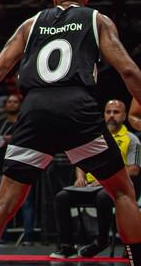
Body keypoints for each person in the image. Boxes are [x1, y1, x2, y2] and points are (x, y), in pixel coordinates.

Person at [0, 0, 141, 266]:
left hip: (35, 108)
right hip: (76, 106)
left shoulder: (30, 25)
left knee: (5, 203)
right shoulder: (96, 19)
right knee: (122, 192)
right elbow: (130, 71)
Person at [52, 100, 141, 258]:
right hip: (90, 186)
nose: (111, 116)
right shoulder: (95, 137)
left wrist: (107, 179)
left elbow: (134, 169)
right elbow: (81, 161)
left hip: (115, 187)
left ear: (125, 115)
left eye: (116, 112)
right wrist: (80, 177)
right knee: (62, 197)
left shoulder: (132, 139)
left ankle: (102, 240)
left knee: (104, 197)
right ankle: (67, 246)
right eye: (108, 112)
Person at [0, 94, 35, 244]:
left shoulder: (24, 123)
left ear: (19, 105)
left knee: (26, 204)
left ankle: (28, 236)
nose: (12, 104)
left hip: (22, 168)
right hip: (0, 170)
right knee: (0, 204)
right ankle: (1, 236)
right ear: (5, 105)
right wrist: (1, 141)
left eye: (15, 102)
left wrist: (12, 139)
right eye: (9, 101)